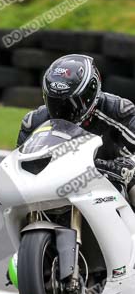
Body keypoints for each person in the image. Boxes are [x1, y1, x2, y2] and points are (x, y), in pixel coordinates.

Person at [17, 53, 135, 205]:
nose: (62, 110)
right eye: (55, 102)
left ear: (92, 94)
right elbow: (20, 164)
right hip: (56, 184)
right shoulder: (33, 122)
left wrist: (126, 165)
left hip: (111, 180)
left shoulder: (119, 112)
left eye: (71, 103)